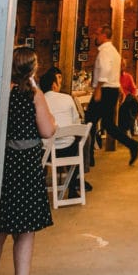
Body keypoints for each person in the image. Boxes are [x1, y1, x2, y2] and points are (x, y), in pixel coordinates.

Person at [0, 47, 55, 275]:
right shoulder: (34, 95)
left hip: (5, 164)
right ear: (31, 69)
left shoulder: (2, 93)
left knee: (0, 229)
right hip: (27, 166)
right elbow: (48, 130)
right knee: (25, 230)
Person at [91, 24, 138, 165]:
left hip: (104, 90)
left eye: (97, 34)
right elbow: (115, 74)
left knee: (90, 123)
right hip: (111, 90)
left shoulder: (105, 52)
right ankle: (132, 145)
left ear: (104, 36)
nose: (96, 36)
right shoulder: (114, 52)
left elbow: (105, 71)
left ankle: (88, 157)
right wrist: (119, 89)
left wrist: (98, 89)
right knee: (108, 124)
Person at [39, 66, 90, 195]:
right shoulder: (67, 98)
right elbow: (76, 122)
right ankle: (73, 184)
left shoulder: (40, 100)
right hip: (68, 150)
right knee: (80, 143)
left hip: (48, 152)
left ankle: (39, 182)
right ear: (54, 85)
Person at [118, 58, 138, 136]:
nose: (122, 67)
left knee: (132, 104)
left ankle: (127, 128)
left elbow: (133, 89)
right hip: (117, 98)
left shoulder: (128, 76)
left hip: (127, 98)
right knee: (126, 107)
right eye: (120, 65)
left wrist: (132, 96)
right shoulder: (113, 77)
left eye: (123, 65)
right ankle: (129, 128)